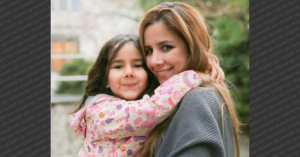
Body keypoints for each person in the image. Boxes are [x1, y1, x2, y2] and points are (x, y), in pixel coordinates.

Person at [69, 34, 222, 157]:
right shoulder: (99, 113)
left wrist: (201, 63)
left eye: (137, 65)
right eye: (118, 66)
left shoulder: (150, 100)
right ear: (105, 79)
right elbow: (152, 109)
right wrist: (194, 75)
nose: (129, 72)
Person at [137, 2, 241, 157]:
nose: (153, 61)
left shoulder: (197, 99)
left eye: (166, 47)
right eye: (149, 51)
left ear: (192, 47)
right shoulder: (168, 99)